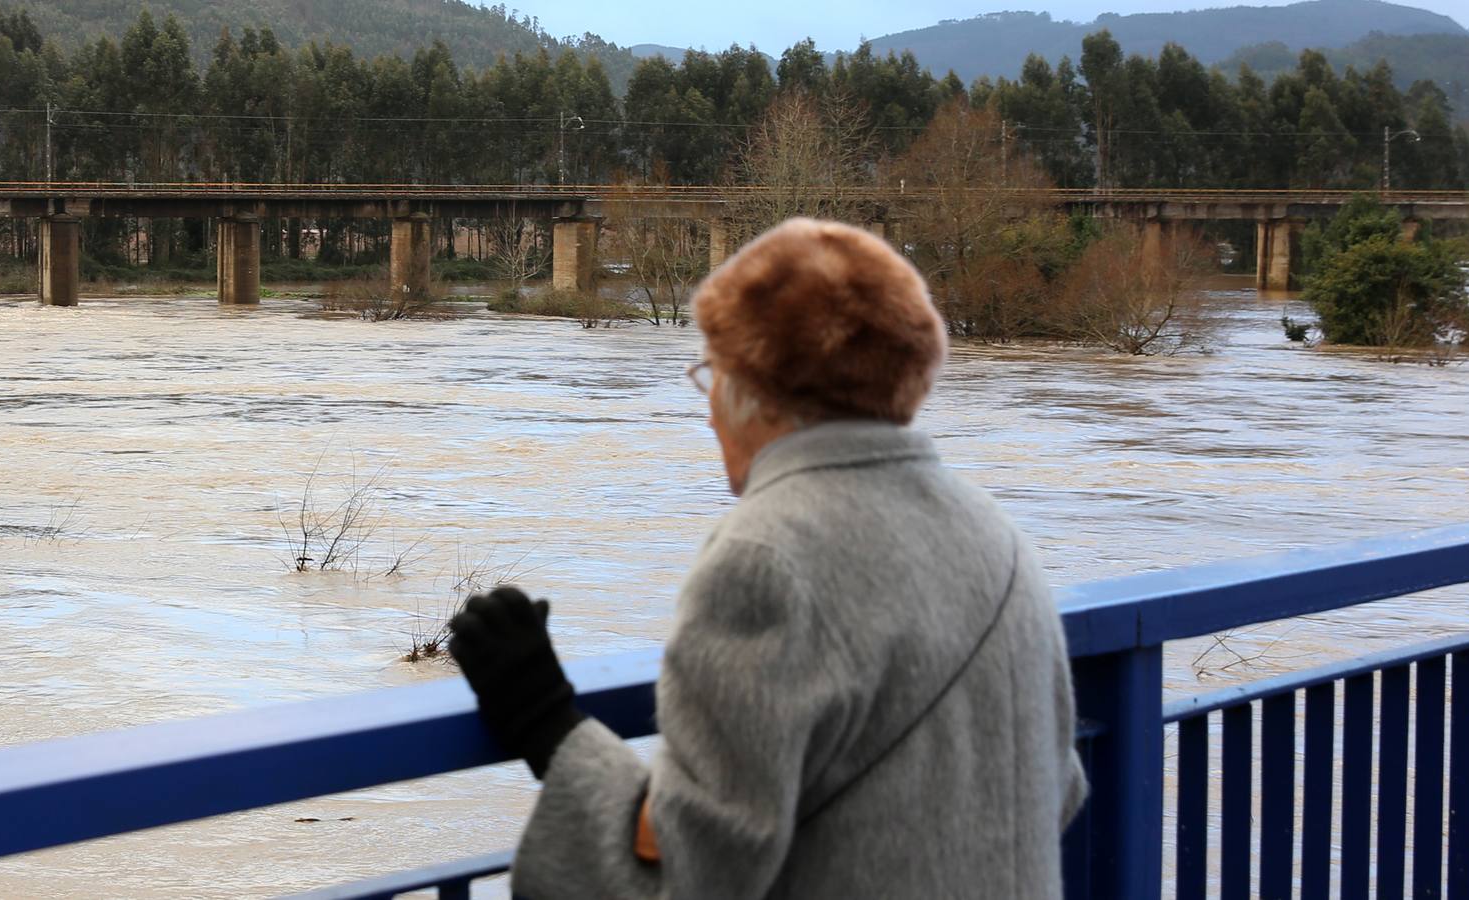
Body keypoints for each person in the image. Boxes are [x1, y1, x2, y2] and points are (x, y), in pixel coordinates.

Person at [447, 218, 1086, 898]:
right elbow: (1059, 789)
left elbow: (697, 869)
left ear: (754, 390)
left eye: (711, 377)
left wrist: (547, 724)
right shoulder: (997, 535)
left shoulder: (765, 560)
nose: (709, 411)